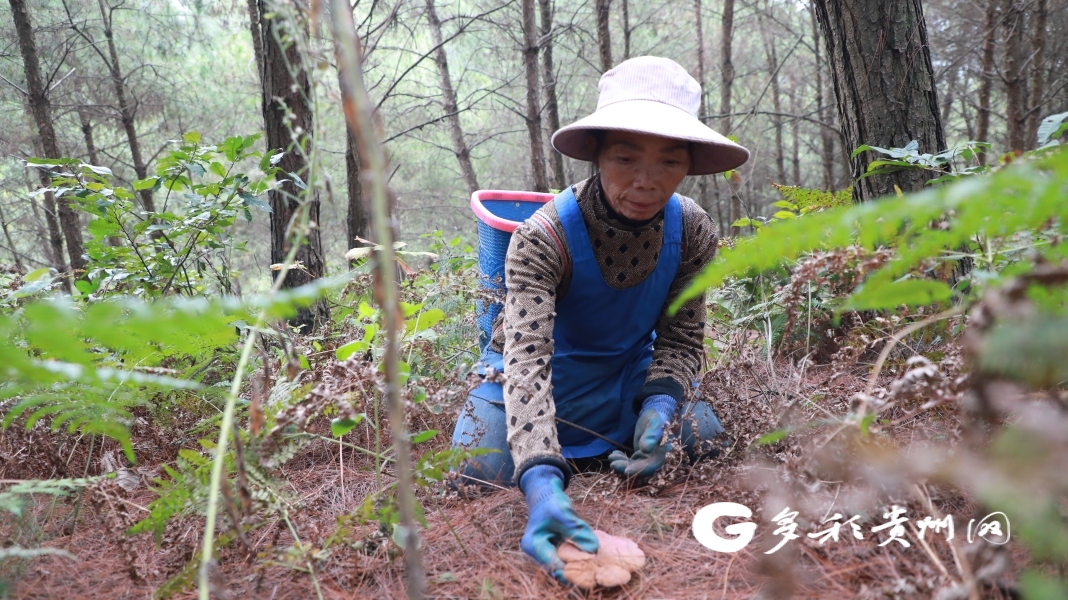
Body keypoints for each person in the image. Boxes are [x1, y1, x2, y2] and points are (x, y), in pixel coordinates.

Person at [450, 56, 750, 582]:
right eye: (625, 158)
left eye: (669, 163)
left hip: (624, 371)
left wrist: (661, 404)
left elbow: (681, 337)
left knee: (701, 436)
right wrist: (541, 481)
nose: (645, 182)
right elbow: (526, 361)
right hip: (531, 378)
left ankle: (633, 428)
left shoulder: (693, 230)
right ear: (596, 156)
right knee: (483, 473)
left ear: (688, 166)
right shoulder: (543, 238)